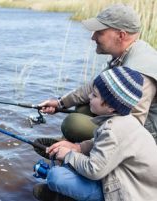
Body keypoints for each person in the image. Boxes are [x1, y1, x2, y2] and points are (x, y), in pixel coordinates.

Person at [37, 3, 157, 145]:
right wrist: (60, 103)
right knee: (83, 107)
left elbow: (131, 128)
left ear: (121, 35)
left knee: (73, 124)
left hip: (146, 136)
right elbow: (94, 87)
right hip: (127, 123)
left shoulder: (137, 71)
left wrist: (80, 149)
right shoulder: (126, 52)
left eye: (99, 32)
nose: (93, 37)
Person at [33, 67, 157, 201]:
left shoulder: (112, 130)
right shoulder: (126, 121)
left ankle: (64, 197)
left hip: (129, 194)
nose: (90, 96)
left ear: (111, 106)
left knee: (56, 176)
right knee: (71, 165)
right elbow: (104, 145)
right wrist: (78, 148)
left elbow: (94, 170)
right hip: (136, 185)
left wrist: (68, 155)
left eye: (95, 95)